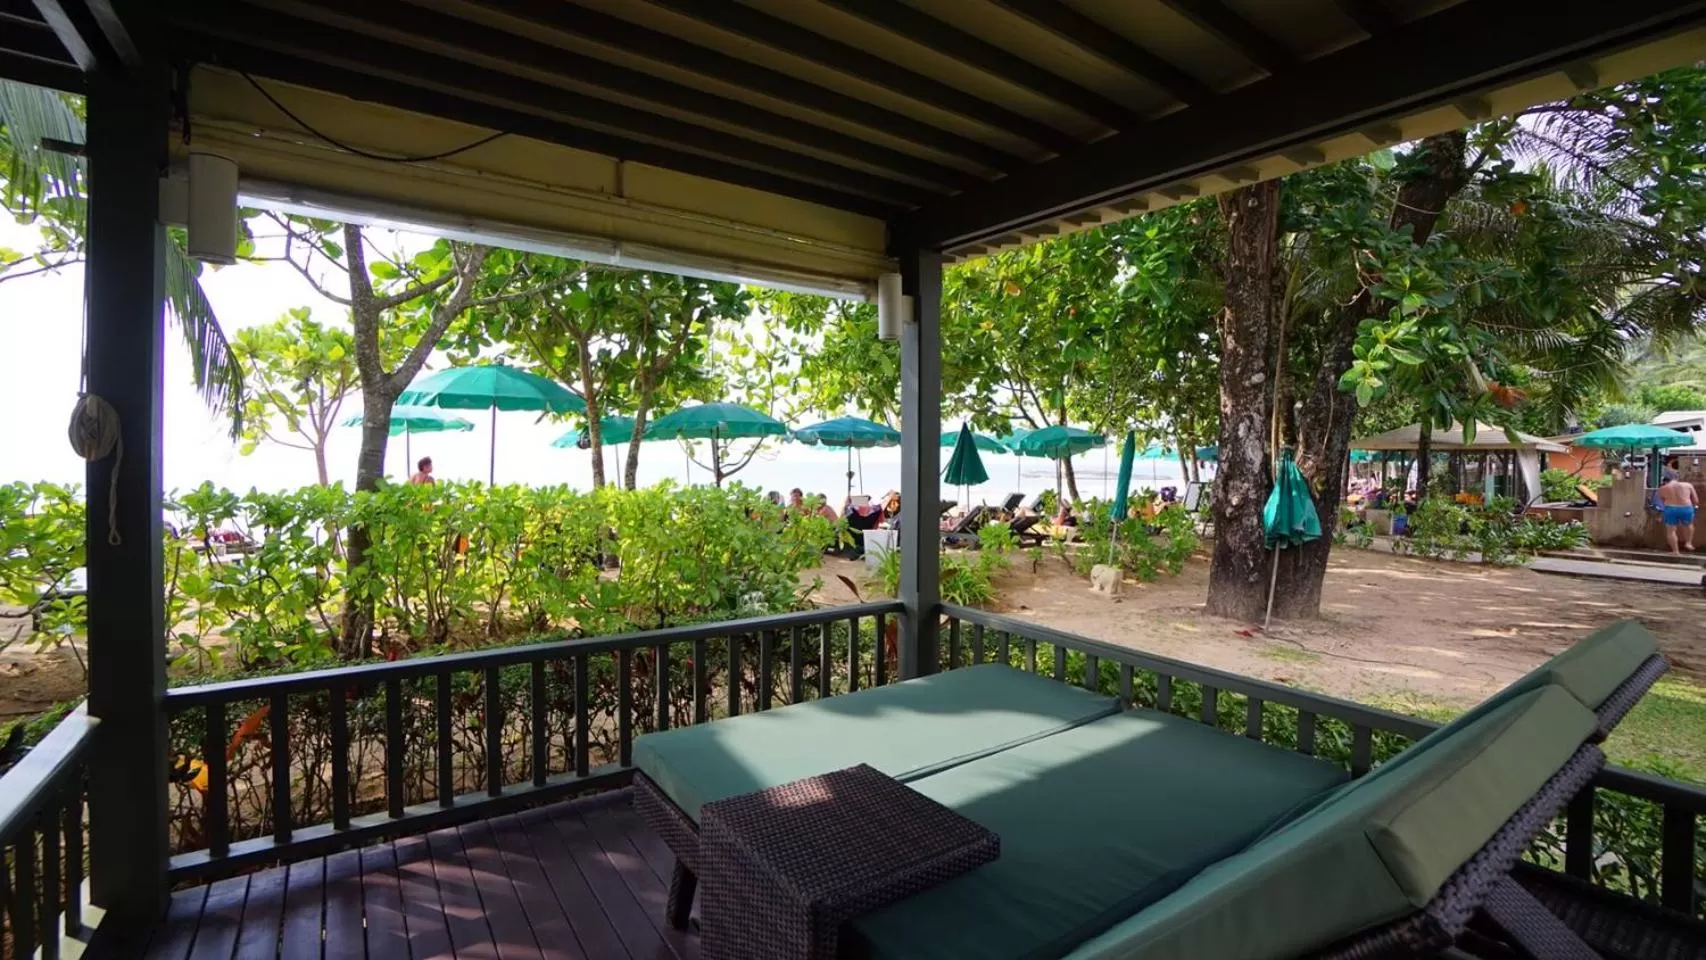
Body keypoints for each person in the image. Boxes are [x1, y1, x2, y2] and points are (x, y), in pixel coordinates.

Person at [1657, 472, 1698, 555]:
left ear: (1665, 481)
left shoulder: (1662, 489)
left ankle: (1676, 551)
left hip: (1670, 508)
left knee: (1671, 531)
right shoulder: (1688, 485)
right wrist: (1693, 507)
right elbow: (1696, 500)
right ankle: (1688, 543)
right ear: (1676, 478)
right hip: (1686, 508)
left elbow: (1663, 502)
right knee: (1689, 525)